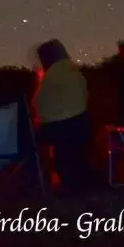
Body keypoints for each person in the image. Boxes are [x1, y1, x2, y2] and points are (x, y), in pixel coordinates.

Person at [33, 39, 91, 196]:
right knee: (70, 147)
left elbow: (37, 103)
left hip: (57, 128)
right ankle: (74, 183)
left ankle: (40, 181)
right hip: (80, 124)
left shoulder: (50, 75)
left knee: (40, 138)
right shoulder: (75, 71)